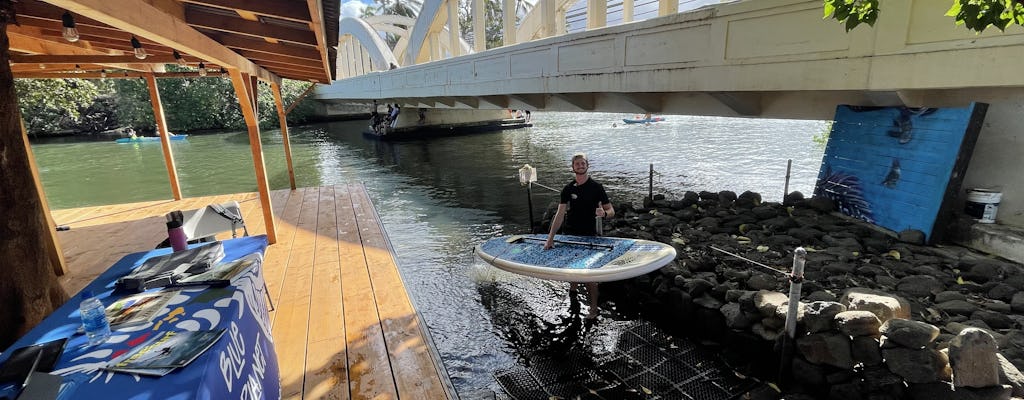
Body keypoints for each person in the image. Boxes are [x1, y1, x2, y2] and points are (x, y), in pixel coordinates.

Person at [544, 153, 615, 319]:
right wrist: (550, 238)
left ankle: (593, 308)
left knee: (589, 274)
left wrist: (604, 214)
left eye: (583, 163)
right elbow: (559, 214)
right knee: (572, 266)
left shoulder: (597, 187)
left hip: (590, 235)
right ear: (573, 167)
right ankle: (573, 290)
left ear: (587, 165)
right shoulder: (568, 189)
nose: (580, 166)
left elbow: (611, 211)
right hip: (571, 234)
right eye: (577, 164)